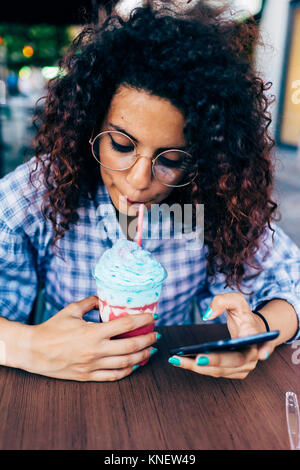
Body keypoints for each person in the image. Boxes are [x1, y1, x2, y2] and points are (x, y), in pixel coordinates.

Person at [0, 2, 299, 382]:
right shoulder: (40, 193)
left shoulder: (209, 201)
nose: (140, 180)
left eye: (170, 159)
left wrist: (258, 329)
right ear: (89, 127)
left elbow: (291, 278)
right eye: (122, 147)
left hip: (165, 385)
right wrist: (28, 346)